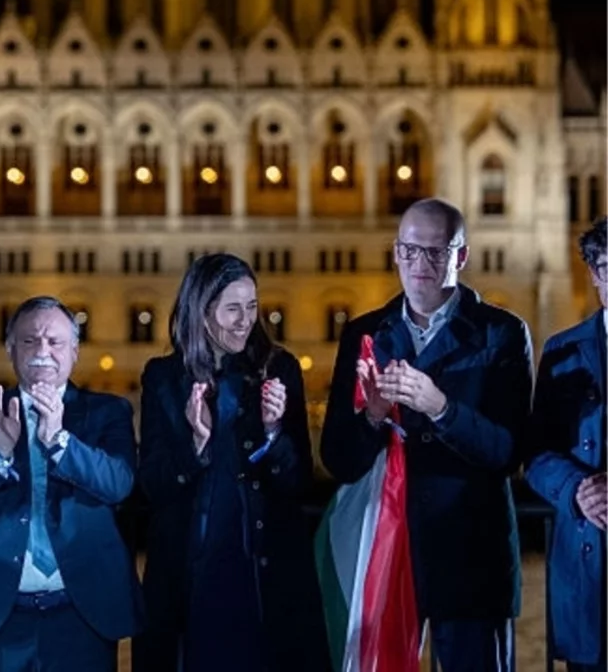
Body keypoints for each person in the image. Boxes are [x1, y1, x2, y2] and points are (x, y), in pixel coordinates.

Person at [320, 198, 533, 672]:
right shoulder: (364, 334)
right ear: (396, 252)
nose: (420, 264)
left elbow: (508, 452)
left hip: (472, 559)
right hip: (387, 557)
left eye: (436, 252)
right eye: (410, 250)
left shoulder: (503, 332)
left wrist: (440, 408)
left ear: (461, 256)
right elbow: (338, 458)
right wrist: (372, 417)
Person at [134, 253, 326, 671]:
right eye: (233, 308)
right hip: (192, 571)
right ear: (203, 312)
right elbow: (153, 484)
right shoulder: (163, 377)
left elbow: (298, 480)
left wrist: (273, 433)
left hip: (263, 569)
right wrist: (196, 443)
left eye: (252, 306)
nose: (245, 321)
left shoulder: (280, 368)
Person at [0, 295, 140, 672]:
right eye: (29, 341)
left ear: (74, 351)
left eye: (55, 342)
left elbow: (118, 483)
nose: (42, 351)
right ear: (10, 349)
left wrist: (60, 441)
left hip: (83, 613)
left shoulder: (108, 412)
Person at [525, 217, 605, 672]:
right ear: (594, 274)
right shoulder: (561, 349)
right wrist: (578, 488)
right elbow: (535, 453)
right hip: (587, 570)